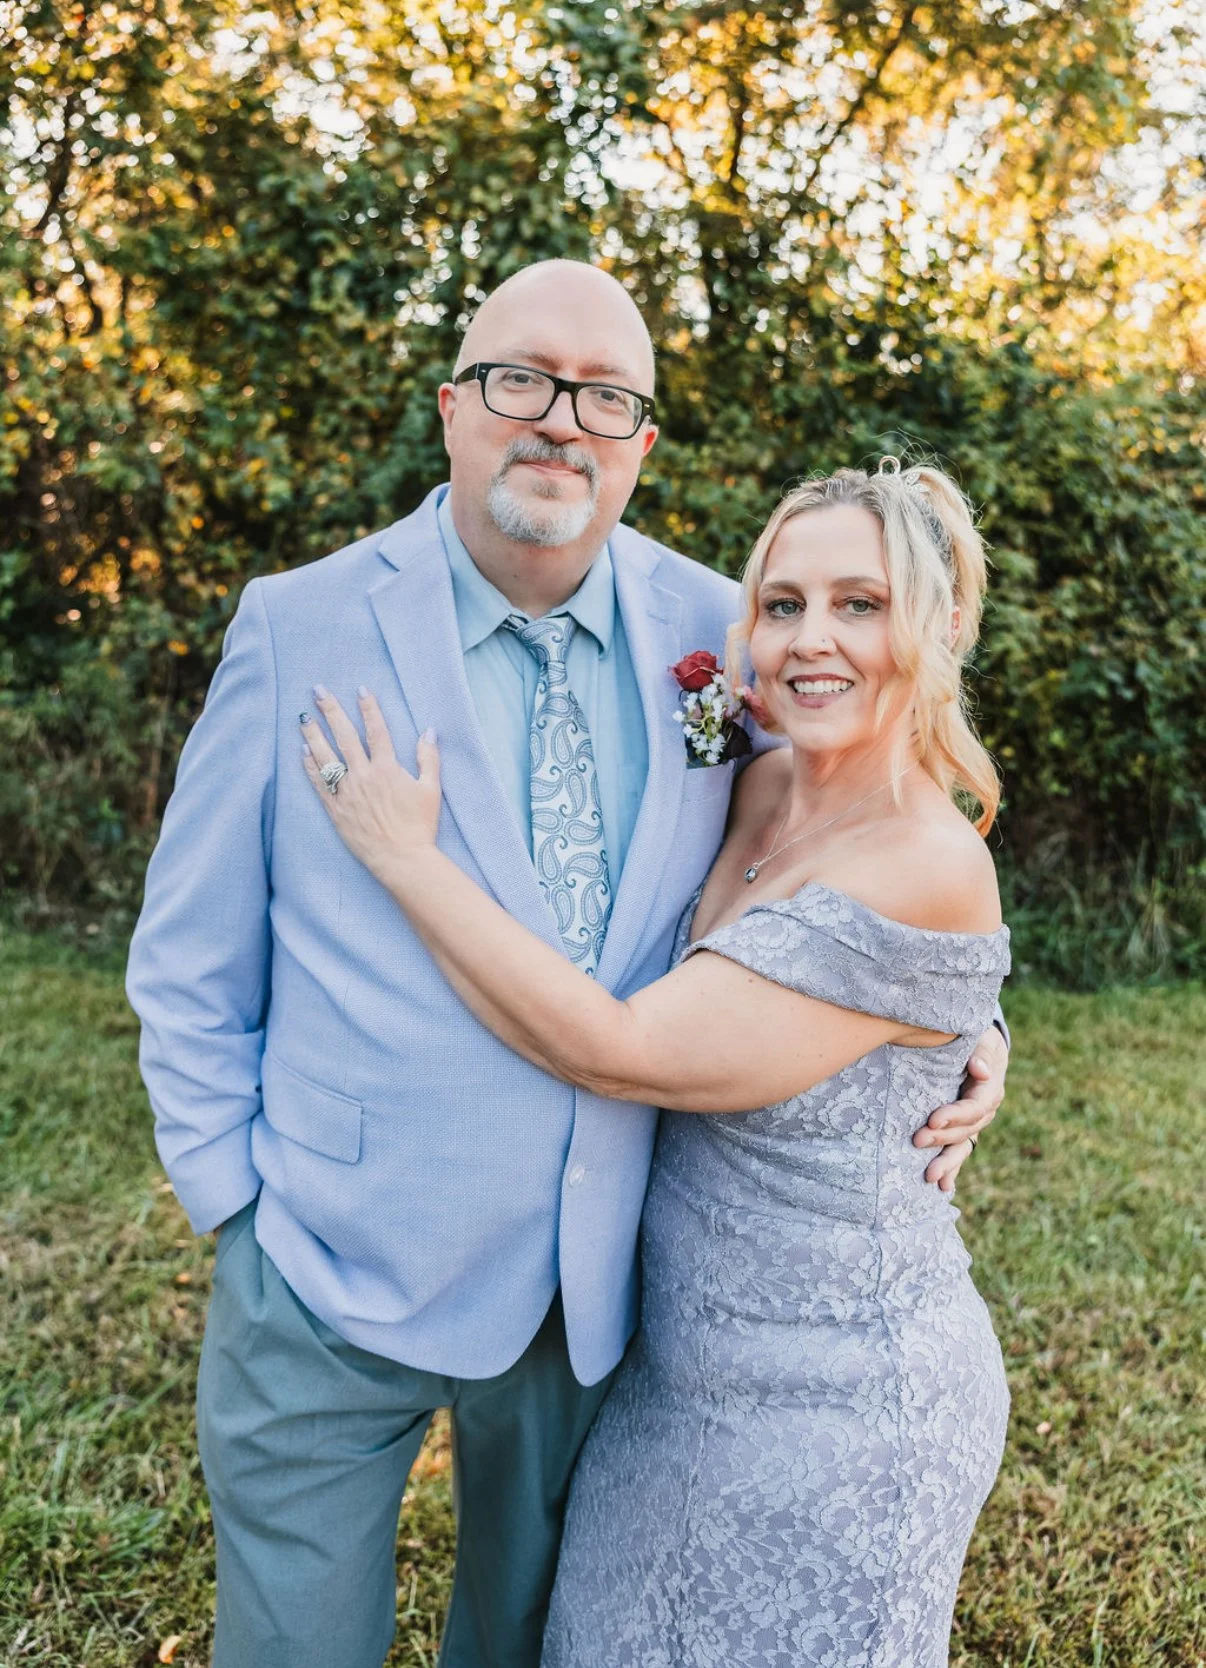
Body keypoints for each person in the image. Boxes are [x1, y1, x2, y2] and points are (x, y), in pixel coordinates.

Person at [125, 259, 1007, 1668]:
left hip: (587, 1283)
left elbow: (862, 839)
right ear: (454, 410)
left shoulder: (716, 632)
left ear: (641, 442)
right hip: (328, 1255)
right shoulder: (302, 624)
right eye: (519, 381)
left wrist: (963, 1021)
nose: (560, 423)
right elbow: (188, 956)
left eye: (605, 397)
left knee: (529, 1641)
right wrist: (234, 1204)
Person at [298, 457, 1011, 1667]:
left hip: (843, 1408)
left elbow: (622, 1050)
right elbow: (871, 993)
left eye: (861, 602)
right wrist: (979, 1034)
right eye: (782, 604)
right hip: (674, 1376)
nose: (810, 638)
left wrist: (410, 861)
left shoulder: (927, 860)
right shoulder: (758, 778)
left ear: (941, 626)